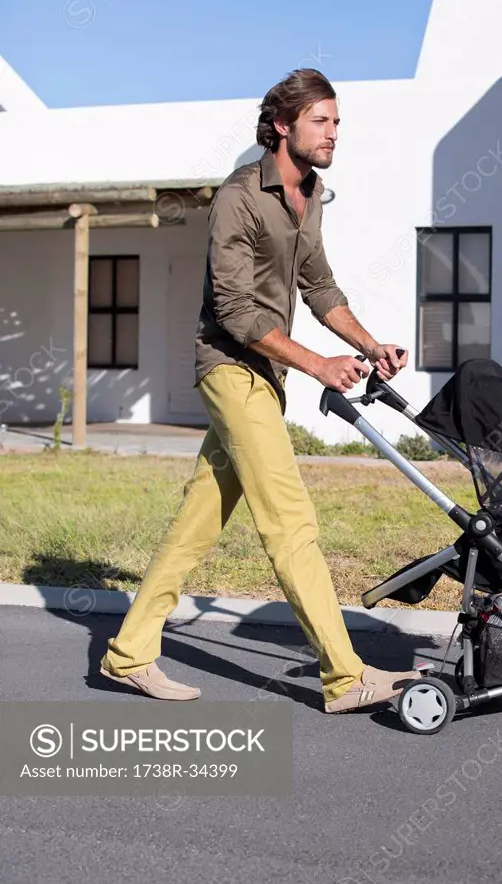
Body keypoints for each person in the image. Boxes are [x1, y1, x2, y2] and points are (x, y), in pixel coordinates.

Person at [100, 68, 422, 713]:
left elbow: (320, 288)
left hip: (266, 373)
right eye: (321, 121)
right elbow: (234, 307)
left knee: (199, 520)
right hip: (228, 366)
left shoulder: (311, 194)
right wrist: (317, 364)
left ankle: (127, 654)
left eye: (337, 122)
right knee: (290, 520)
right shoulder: (240, 197)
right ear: (283, 126)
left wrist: (368, 346)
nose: (333, 133)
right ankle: (345, 675)